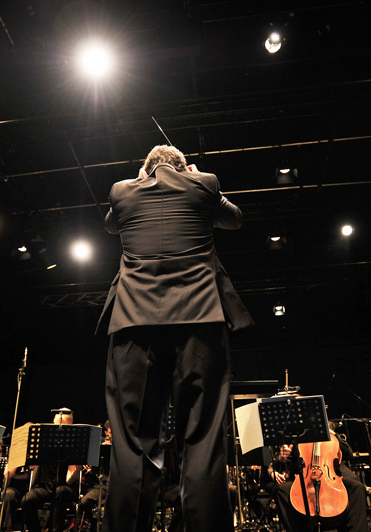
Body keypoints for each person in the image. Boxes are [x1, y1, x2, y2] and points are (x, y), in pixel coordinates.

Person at [96, 145, 254, 532]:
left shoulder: (122, 191)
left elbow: (112, 225)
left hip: (134, 323)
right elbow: (234, 219)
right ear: (184, 168)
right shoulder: (204, 184)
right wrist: (194, 178)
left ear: (145, 170)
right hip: (200, 321)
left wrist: (142, 179)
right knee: (202, 439)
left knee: (133, 444)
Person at [268, 429, 369, 532]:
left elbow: (349, 454)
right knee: (281, 490)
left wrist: (335, 435)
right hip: (306, 477)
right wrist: (281, 458)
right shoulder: (297, 437)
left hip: (331, 474)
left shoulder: (332, 436)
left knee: (357, 487)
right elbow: (280, 464)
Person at [0, 408, 82, 532]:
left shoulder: (73, 444)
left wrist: (77, 467)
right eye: (57, 426)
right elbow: (9, 474)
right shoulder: (44, 440)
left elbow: (69, 480)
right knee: (27, 500)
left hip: (64, 487)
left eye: (64, 427)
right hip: (45, 487)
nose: (60, 429)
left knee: (60, 492)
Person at [76, 420, 112, 530]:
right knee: (84, 502)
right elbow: (95, 470)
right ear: (106, 433)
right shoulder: (100, 447)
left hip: (118, 484)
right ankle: (92, 524)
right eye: (111, 433)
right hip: (102, 485)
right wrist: (92, 468)